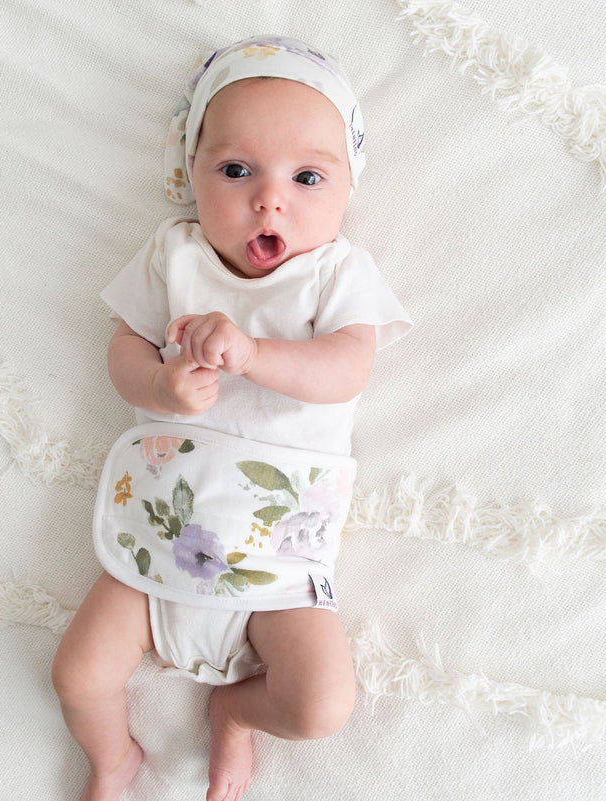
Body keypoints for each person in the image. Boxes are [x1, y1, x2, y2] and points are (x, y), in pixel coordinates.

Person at [51, 35, 411, 801]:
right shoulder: (174, 256)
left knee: (320, 703)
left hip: (276, 568)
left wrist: (253, 354)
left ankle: (238, 713)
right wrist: (160, 382)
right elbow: (122, 349)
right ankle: (112, 757)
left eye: (308, 176)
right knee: (78, 674)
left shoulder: (337, 273)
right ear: (192, 173)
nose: (269, 198)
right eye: (236, 170)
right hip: (160, 542)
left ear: (348, 187)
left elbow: (348, 366)